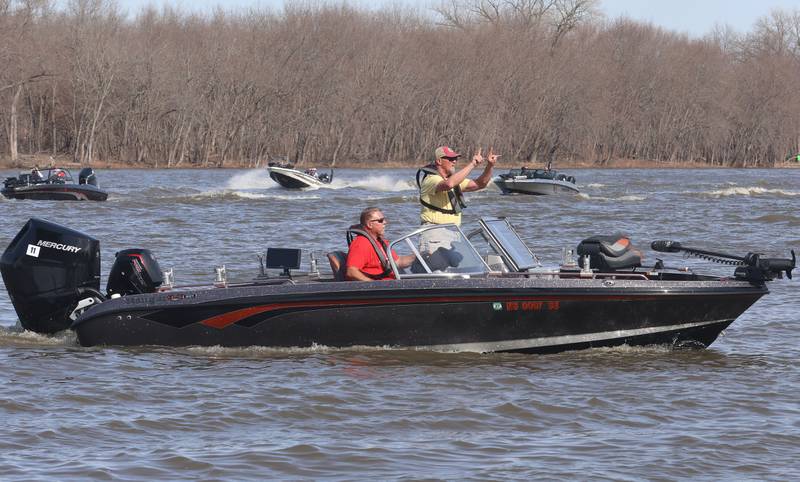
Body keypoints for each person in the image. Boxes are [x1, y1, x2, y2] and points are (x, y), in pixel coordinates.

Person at [417, 145, 499, 227]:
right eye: (451, 159)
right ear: (439, 161)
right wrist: (473, 164)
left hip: (453, 231)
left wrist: (490, 166)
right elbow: (449, 184)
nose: (454, 161)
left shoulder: (454, 180)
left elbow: (480, 184)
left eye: (455, 159)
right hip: (434, 230)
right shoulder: (431, 179)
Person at [345, 207, 414, 281]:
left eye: (384, 219)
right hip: (381, 287)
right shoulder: (361, 243)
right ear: (370, 224)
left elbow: (398, 262)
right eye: (381, 220)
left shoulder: (381, 241)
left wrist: (419, 256)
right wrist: (373, 284)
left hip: (391, 282)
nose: (385, 222)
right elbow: (351, 272)